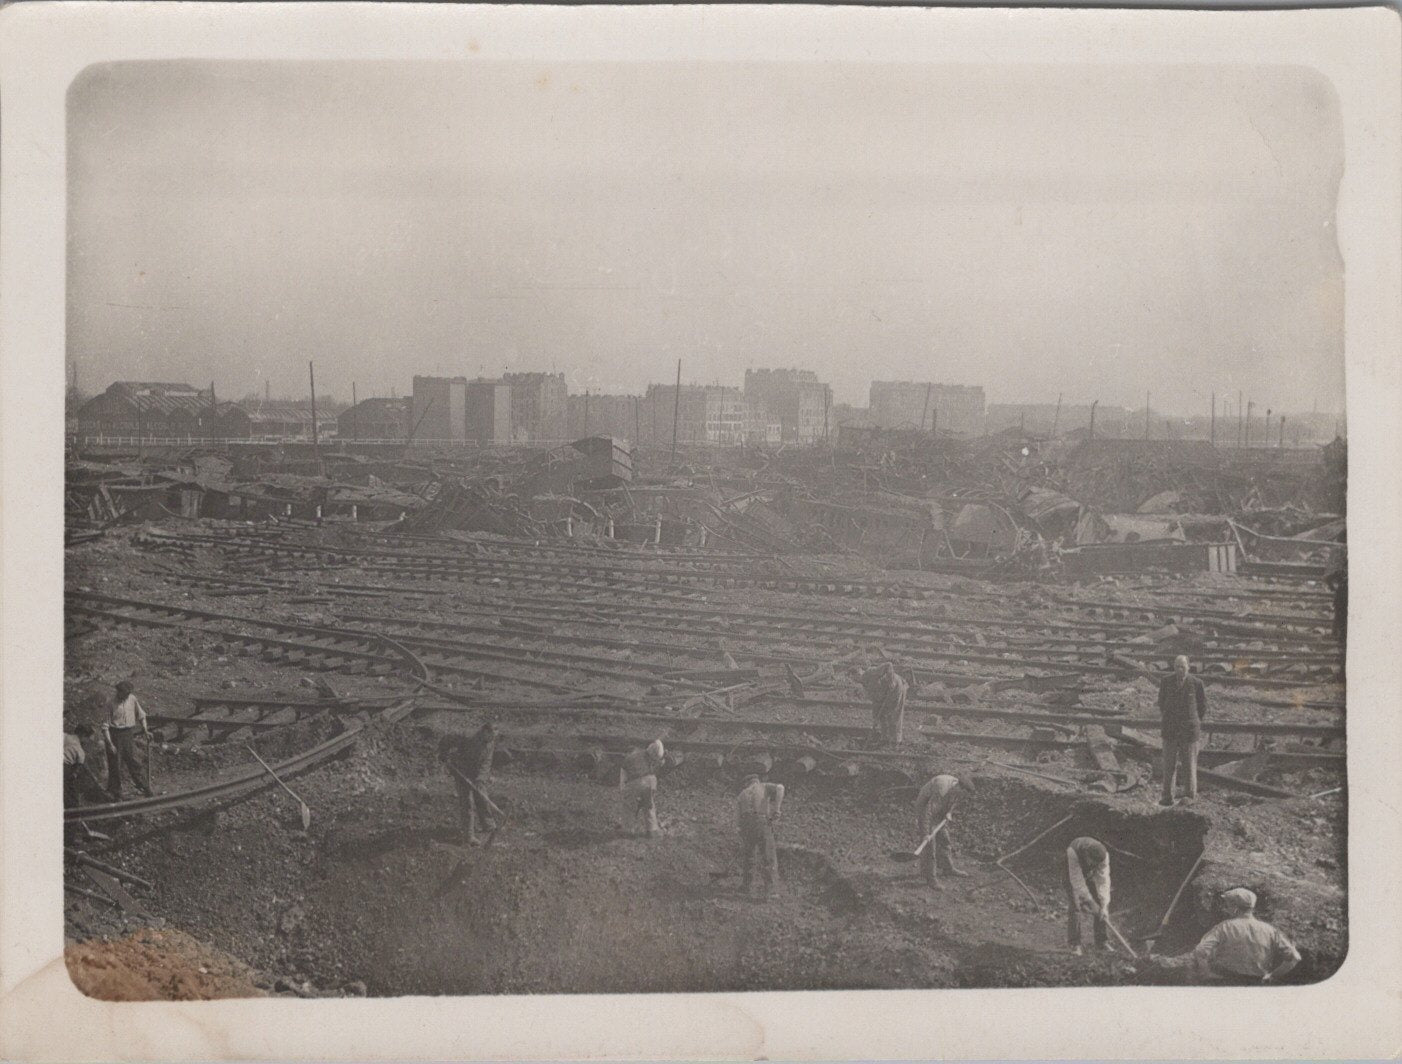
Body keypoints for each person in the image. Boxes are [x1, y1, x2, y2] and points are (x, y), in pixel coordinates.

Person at [1149, 888, 1301, 984]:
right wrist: (1272, 976)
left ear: (1235, 908)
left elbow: (1201, 952)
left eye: (1228, 905)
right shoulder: (1270, 930)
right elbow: (1294, 958)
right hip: (1256, 985)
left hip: (1225, 982)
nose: (1226, 908)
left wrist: (1206, 973)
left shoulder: (1224, 928)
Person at [1157, 655, 1207, 806]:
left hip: (1189, 732)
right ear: (1174, 667)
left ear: (1188, 667)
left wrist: (1192, 722)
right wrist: (1170, 719)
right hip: (1170, 731)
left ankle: (1190, 797)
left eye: (1183, 667)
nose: (1180, 670)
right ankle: (1167, 797)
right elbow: (1161, 703)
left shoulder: (1197, 683)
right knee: (1168, 766)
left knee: (1189, 766)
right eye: (1177, 666)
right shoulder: (1166, 682)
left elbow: (1202, 707)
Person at [439, 723, 499, 845]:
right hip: (461, 770)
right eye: (491, 735)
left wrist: (481, 778)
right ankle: (469, 836)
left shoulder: (490, 742)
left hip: (477, 774)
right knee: (467, 803)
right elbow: (447, 739)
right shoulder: (468, 737)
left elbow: (487, 762)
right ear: (484, 731)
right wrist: (443, 754)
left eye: (494, 736)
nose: (493, 738)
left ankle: (489, 826)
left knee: (482, 797)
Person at [913, 772, 975, 887]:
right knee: (930, 846)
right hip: (925, 807)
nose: (964, 798)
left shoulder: (958, 789)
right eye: (964, 795)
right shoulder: (942, 790)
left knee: (945, 840)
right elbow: (928, 812)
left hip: (940, 808)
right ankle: (931, 878)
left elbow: (955, 801)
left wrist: (949, 812)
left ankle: (948, 868)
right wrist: (926, 833)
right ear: (960, 788)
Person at [735, 775, 784, 899]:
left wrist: (742, 833)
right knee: (769, 856)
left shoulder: (742, 794)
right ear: (756, 781)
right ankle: (771, 891)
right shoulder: (763, 786)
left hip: (746, 824)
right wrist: (777, 809)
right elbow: (780, 787)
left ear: (747, 783)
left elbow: (738, 820)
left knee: (748, 856)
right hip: (761, 821)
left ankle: (746, 887)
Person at [102, 680, 152, 800]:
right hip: (115, 735)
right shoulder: (110, 704)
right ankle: (116, 793)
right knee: (115, 765)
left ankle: (144, 787)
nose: (127, 695)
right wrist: (110, 744)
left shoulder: (132, 699)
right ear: (119, 692)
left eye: (128, 693)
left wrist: (145, 730)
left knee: (134, 762)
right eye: (124, 693)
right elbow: (105, 726)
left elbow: (141, 715)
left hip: (128, 734)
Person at [1064, 836, 1113, 955]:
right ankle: (1074, 944)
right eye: (1092, 861)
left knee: (1101, 905)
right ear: (1087, 855)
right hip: (1071, 873)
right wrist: (1091, 903)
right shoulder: (1073, 852)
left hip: (1089, 874)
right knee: (1075, 906)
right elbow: (1077, 882)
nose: (1093, 864)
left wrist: (1104, 906)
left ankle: (1102, 942)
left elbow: (1103, 881)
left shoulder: (1104, 857)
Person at [619, 739, 665, 837]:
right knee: (649, 805)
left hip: (634, 782)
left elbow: (623, 771)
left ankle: (628, 831)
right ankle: (652, 830)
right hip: (649, 783)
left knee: (629, 806)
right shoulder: (651, 758)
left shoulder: (633, 756)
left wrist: (622, 786)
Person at [859, 661, 908, 744]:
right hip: (885, 695)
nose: (855, 680)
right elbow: (875, 702)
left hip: (896, 687)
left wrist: (891, 680)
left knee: (895, 714)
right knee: (882, 716)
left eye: (854, 677)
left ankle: (896, 741)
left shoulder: (871, 672)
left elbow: (888, 665)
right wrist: (875, 716)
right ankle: (884, 739)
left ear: (858, 673)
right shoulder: (865, 687)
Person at [63, 724, 106, 808]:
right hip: (65, 768)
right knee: (70, 795)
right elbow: (76, 771)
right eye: (87, 739)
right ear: (83, 735)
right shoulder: (80, 751)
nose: (88, 742)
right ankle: (74, 814)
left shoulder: (65, 736)